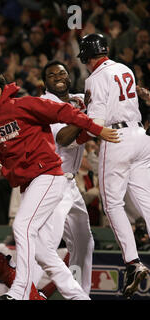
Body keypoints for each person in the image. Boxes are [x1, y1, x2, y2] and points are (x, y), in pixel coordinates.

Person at [0, 70, 119, 300]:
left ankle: (20, 291)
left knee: (22, 227)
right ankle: (79, 297)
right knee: (42, 251)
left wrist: (97, 130)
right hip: (30, 185)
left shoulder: (23, 105)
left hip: (48, 175)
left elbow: (63, 111)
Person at [77, 33, 150, 298]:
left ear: (86, 57)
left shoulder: (94, 78)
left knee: (112, 204)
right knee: (145, 201)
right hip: (141, 137)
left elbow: (96, 120)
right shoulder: (125, 68)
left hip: (116, 138)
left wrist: (78, 125)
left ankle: (132, 263)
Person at [35, 60, 95, 294]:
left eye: (62, 73)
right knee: (47, 244)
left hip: (70, 183)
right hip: (52, 180)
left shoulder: (77, 99)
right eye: (52, 75)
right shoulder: (45, 103)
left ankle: (81, 293)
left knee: (83, 241)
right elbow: (64, 139)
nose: (58, 77)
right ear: (45, 82)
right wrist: (86, 113)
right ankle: (26, 290)